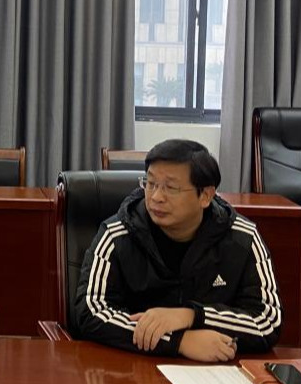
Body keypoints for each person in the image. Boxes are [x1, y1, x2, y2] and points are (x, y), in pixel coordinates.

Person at [75, 139, 282, 361]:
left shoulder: (243, 238)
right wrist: (178, 341)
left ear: (205, 195)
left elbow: (268, 321)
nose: (156, 197)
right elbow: (90, 312)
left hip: (213, 374)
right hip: (136, 367)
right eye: (150, 183)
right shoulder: (117, 234)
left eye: (171, 188)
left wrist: (193, 316)